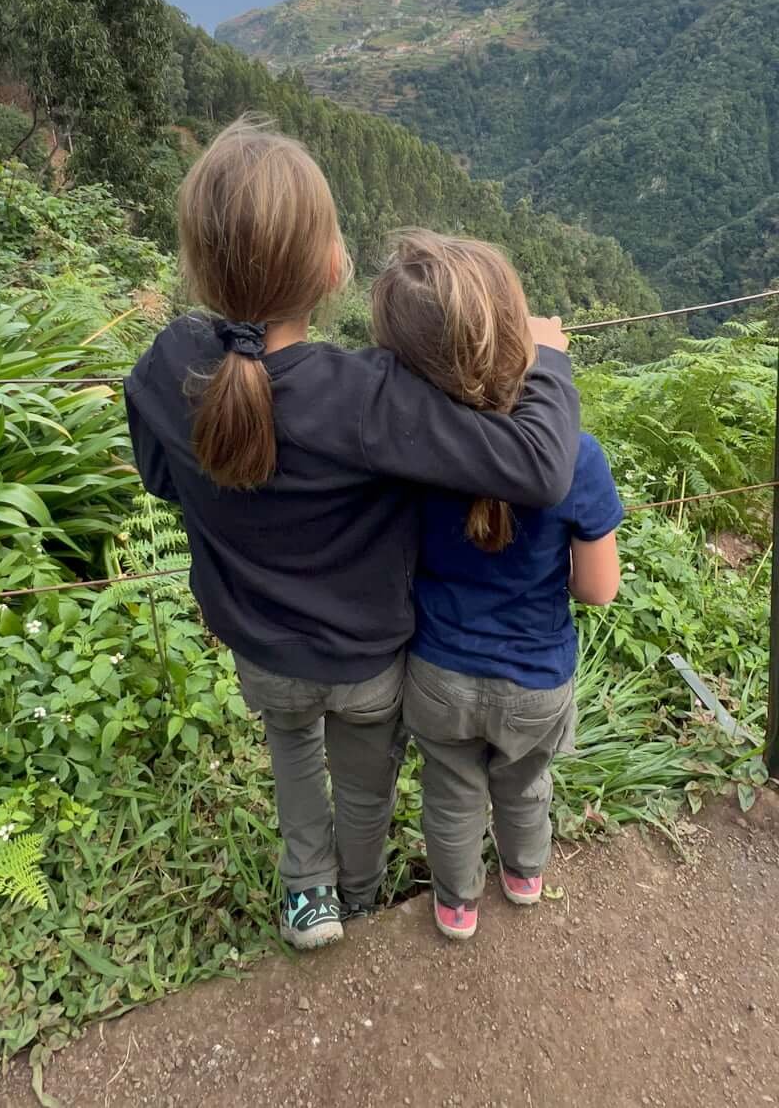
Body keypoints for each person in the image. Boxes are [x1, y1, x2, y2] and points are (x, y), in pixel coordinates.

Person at [124, 120, 580, 951]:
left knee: (292, 753)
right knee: (364, 788)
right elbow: (540, 468)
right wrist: (546, 360)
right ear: (331, 268)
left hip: (261, 650)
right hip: (367, 657)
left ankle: (308, 895)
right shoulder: (366, 395)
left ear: (195, 263)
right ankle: (360, 896)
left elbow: (162, 479)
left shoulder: (166, 365)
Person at [372, 229, 623, 941]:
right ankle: (525, 875)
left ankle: (456, 906)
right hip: (536, 679)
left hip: (439, 672)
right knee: (524, 784)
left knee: (451, 795)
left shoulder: (408, 454)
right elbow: (599, 590)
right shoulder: (577, 457)